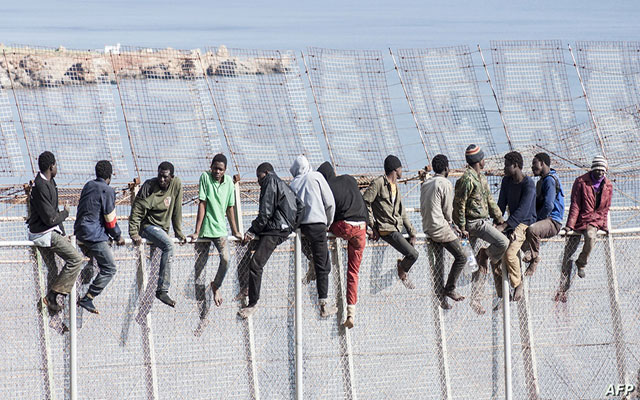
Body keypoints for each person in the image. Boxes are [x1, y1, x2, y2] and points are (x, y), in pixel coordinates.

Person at [237, 162, 304, 319]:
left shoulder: (270, 181)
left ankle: (252, 303)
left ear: (266, 173)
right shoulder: (284, 185)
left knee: (256, 264)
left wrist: (252, 230)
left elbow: (265, 212)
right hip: (281, 229)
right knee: (247, 253)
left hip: (274, 230)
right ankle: (246, 287)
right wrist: (292, 227)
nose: (258, 182)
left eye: (259, 177)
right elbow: (301, 206)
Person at [453, 144, 508, 314]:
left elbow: (490, 201)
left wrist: (500, 218)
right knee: (502, 242)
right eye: (483, 158)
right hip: (473, 225)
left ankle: (475, 299)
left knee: (478, 264)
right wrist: (461, 227)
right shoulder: (467, 179)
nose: (485, 160)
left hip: (481, 223)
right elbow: (459, 204)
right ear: (478, 160)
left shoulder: (481, 178)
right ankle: (487, 254)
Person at [28, 151, 84, 315]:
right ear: (52, 166)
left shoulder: (51, 182)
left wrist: (62, 232)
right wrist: (66, 213)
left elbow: (53, 217)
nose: (56, 168)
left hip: (51, 231)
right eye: (56, 165)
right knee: (75, 259)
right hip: (43, 233)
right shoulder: (40, 186)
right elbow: (50, 219)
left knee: (55, 269)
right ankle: (53, 296)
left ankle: (54, 300)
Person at [129, 161, 186, 308]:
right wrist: (134, 232)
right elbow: (137, 209)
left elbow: (177, 209)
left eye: (165, 177)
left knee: (154, 271)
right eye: (160, 176)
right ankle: (162, 290)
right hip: (148, 227)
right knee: (169, 246)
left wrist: (179, 232)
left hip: (163, 231)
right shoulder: (149, 186)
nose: (162, 180)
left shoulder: (176, 184)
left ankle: (145, 310)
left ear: (171, 177)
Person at [188, 154, 242, 309]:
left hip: (219, 230)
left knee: (226, 259)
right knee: (199, 270)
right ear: (210, 166)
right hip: (205, 230)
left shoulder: (229, 184)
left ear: (225, 170)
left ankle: (216, 285)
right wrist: (197, 231)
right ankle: (201, 307)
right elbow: (202, 203)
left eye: (220, 169)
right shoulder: (205, 177)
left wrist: (235, 230)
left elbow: (229, 207)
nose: (217, 171)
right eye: (215, 168)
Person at [317, 162, 367, 328]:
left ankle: (313, 266)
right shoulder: (349, 179)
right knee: (353, 272)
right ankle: (351, 313)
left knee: (317, 229)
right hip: (362, 228)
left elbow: (328, 212)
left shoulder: (327, 187)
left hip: (345, 226)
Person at [74, 160, 125, 314]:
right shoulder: (107, 190)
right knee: (109, 268)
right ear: (110, 175)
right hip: (93, 236)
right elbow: (110, 219)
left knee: (93, 263)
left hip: (80, 233)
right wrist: (118, 236)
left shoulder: (88, 185)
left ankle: (76, 286)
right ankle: (88, 297)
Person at [556, 156, 612, 298]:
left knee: (591, 237)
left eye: (602, 170)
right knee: (568, 253)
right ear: (593, 169)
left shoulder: (608, 185)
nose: (600, 173)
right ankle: (563, 288)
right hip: (581, 220)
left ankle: (581, 262)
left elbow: (605, 208)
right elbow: (575, 204)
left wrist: (604, 225)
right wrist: (570, 225)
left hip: (594, 221)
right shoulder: (581, 182)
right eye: (597, 169)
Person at [290, 155, 338, 318]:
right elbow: (329, 202)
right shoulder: (316, 177)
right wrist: (328, 222)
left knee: (317, 260)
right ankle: (323, 305)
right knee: (324, 265)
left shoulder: (293, 183)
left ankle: (311, 265)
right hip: (318, 225)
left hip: (301, 228)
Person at [363, 155, 419, 289]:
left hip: (396, 227)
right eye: (401, 168)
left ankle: (404, 269)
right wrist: (372, 225)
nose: (402, 171)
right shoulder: (378, 183)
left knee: (413, 247)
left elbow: (402, 211)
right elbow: (365, 201)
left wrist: (412, 232)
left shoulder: (395, 187)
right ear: (396, 169)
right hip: (387, 229)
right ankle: (402, 269)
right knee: (413, 254)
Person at [420, 154, 467, 309]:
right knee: (461, 256)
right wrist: (456, 227)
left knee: (439, 263)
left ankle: (441, 298)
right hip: (440, 228)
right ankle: (450, 288)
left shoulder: (426, 183)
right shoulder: (445, 183)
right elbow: (448, 212)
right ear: (447, 168)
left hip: (428, 227)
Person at [495, 151, 536, 301]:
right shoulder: (506, 181)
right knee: (495, 255)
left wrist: (505, 225)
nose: (504, 168)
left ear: (516, 166)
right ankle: (501, 295)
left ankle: (518, 284)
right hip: (511, 222)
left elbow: (523, 211)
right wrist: (497, 220)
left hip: (524, 223)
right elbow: (501, 203)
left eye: (507, 165)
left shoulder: (528, 184)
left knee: (510, 254)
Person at [523, 153, 564, 276]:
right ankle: (529, 252)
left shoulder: (550, 180)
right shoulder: (541, 182)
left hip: (553, 221)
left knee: (532, 229)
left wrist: (536, 220)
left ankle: (534, 258)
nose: (532, 167)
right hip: (545, 219)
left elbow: (548, 205)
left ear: (542, 163)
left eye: (534, 163)